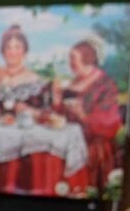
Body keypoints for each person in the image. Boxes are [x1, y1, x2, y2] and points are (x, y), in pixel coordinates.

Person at [53, 40, 124, 193]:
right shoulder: (72, 82)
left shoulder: (104, 85)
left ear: (87, 58)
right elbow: (61, 115)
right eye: (70, 58)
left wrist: (82, 115)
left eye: (73, 58)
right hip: (69, 140)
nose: (70, 63)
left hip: (93, 147)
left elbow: (110, 123)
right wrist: (57, 98)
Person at [0, 24, 48, 124]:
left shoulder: (36, 81)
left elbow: (47, 117)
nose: (12, 52)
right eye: (8, 47)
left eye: (17, 47)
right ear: (2, 52)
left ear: (25, 51)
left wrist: (30, 111)